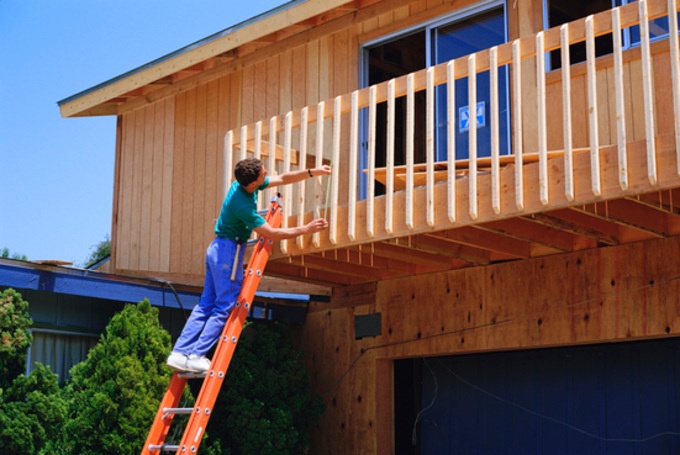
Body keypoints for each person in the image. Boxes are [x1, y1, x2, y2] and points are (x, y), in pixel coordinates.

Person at [166, 158, 331, 373]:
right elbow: (271, 233)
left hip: (216, 249)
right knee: (224, 306)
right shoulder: (243, 206)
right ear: (253, 183)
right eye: (264, 173)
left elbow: (282, 178)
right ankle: (196, 355)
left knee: (206, 305)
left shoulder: (241, 184)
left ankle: (179, 352)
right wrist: (306, 229)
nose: (267, 173)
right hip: (228, 253)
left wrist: (312, 172)